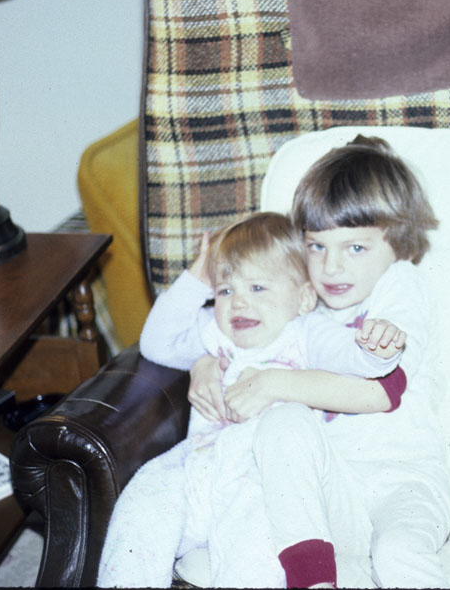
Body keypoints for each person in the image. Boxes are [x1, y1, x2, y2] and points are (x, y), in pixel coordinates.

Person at [97, 212, 406, 588]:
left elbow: (353, 358)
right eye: (225, 291)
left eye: (258, 288)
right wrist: (197, 278)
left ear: (304, 298)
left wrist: (378, 349)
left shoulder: (305, 333)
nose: (239, 303)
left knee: (254, 549)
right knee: (141, 503)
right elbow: (156, 344)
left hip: (261, 480)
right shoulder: (215, 333)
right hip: (196, 466)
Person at [230, 135, 450, 588]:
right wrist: (203, 367)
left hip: (405, 485)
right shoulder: (306, 302)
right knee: (283, 423)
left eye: (355, 248)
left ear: (401, 247)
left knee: (397, 555)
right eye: (316, 246)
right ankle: (313, 581)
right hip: (334, 495)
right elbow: (235, 332)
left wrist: (273, 382)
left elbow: (381, 393)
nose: (331, 267)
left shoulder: (399, 284)